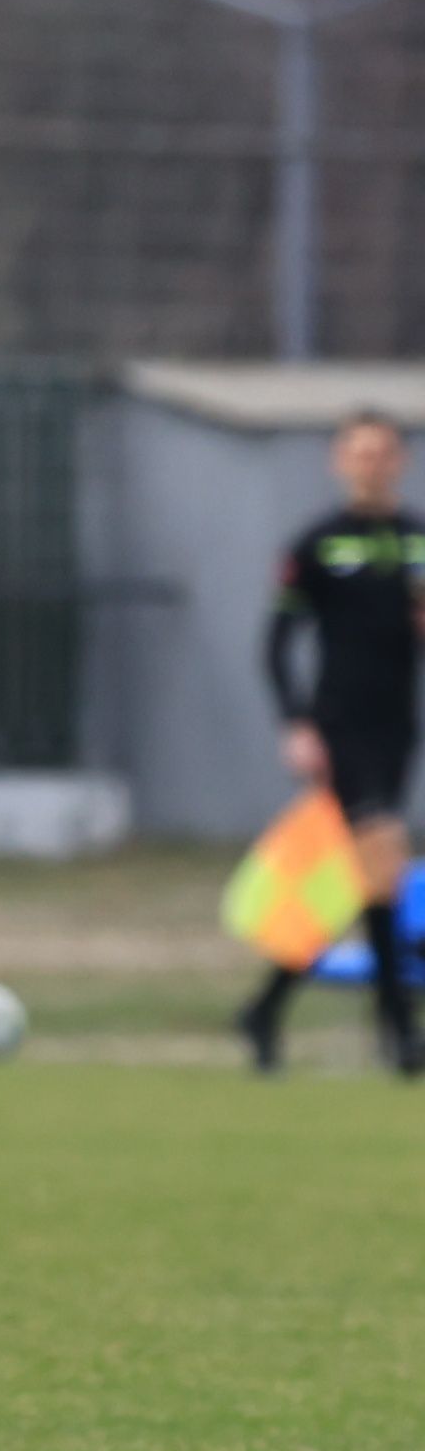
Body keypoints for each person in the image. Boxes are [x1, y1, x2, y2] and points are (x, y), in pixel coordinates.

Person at [244, 409, 425, 1076]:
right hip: (340, 724)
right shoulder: (319, 543)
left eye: (384, 453)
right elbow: (275, 644)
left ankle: (265, 1009)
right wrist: (297, 723)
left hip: (399, 726)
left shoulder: (416, 541)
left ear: (399, 461)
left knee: (366, 884)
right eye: (360, 453)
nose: (372, 464)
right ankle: (401, 1034)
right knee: (383, 859)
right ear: (339, 461)